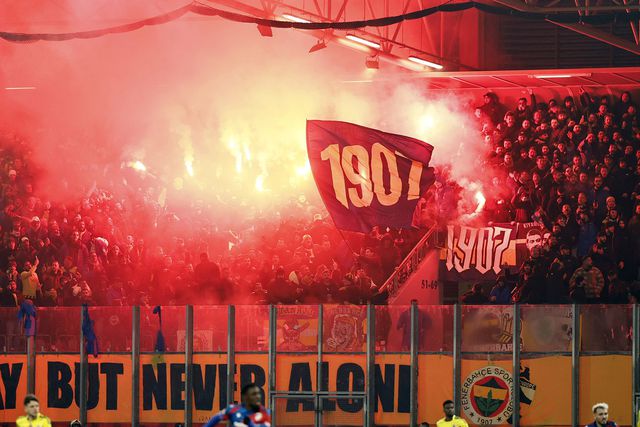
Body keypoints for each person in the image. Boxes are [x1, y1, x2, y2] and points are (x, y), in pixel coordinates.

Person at [203, 383, 270, 427]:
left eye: (259, 393)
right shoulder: (233, 409)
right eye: (254, 394)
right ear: (245, 397)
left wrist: (249, 423)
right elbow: (216, 418)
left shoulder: (265, 413)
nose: (258, 396)